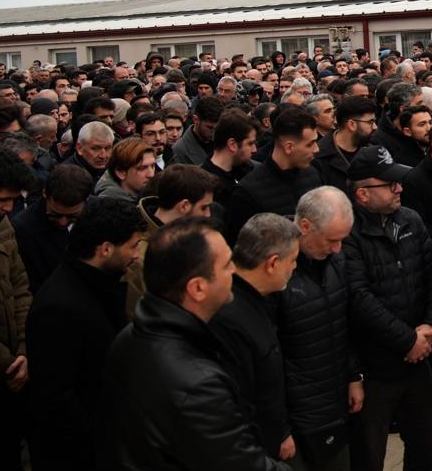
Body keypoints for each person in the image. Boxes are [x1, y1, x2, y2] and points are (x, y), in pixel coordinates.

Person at [102, 217, 289, 470]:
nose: (234, 271)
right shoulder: (197, 386)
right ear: (197, 288)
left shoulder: (130, 336)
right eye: (227, 265)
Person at [344, 146, 432, 471]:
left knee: (426, 442)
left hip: (418, 358)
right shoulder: (347, 233)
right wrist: (408, 340)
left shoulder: (410, 219)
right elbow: (358, 298)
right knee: (369, 454)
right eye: (390, 184)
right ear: (362, 194)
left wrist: (430, 325)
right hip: (375, 367)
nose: (399, 188)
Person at [25, 197, 146, 470]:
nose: (136, 255)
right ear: (105, 249)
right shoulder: (58, 307)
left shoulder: (97, 286)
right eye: (133, 246)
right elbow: (56, 399)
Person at [210, 213, 301, 462]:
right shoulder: (229, 316)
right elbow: (240, 399)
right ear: (272, 263)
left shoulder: (257, 298)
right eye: (293, 260)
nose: (295, 267)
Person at [281, 187, 360, 471]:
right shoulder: (277, 273)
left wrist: (354, 376)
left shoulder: (334, 260)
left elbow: (344, 323)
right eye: (331, 240)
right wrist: (279, 426)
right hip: (295, 412)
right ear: (305, 226)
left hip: (333, 401)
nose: (337, 249)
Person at [0, 148, 33, 471]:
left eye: (13, 200)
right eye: (1, 200)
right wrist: (7, 363)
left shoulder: (2, 224)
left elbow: (19, 286)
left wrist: (23, 347)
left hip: (12, 369)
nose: (9, 208)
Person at [226, 108, 321, 244]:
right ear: (289, 147)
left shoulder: (312, 175)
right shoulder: (248, 192)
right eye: (310, 144)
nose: (316, 149)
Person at [12, 164, 92, 292]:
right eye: (55, 214)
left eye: (72, 216)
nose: (63, 222)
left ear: (86, 200)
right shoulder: (23, 228)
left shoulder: (96, 214)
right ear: (45, 193)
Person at [313, 96, 378, 192]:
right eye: (370, 122)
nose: (375, 127)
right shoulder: (318, 158)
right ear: (351, 124)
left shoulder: (371, 150)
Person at [171, 94, 223, 165]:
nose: (214, 132)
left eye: (217, 127)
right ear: (196, 120)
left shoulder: (222, 143)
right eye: (210, 127)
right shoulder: (179, 150)